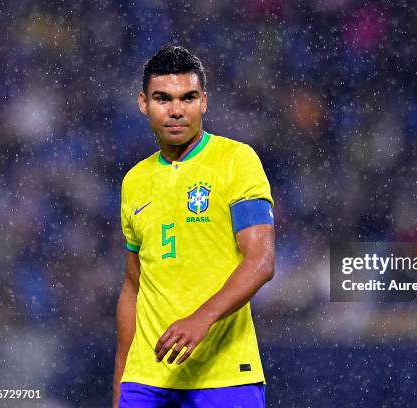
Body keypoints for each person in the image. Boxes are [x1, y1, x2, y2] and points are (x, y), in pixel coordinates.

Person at [113, 45, 275, 408]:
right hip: (146, 380)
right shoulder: (134, 181)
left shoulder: (236, 161)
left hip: (224, 374)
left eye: (187, 97)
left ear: (204, 101)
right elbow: (133, 284)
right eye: (162, 98)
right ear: (143, 103)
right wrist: (123, 376)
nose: (175, 110)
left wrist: (201, 318)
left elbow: (261, 261)